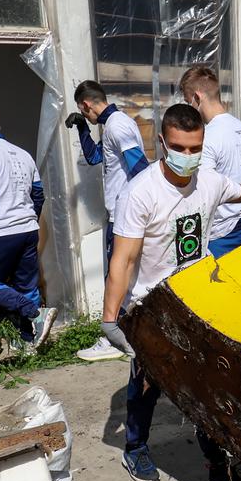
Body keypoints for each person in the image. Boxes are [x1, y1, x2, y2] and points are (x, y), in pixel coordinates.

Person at [97, 103, 241, 481]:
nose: (187, 156)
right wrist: (111, 318)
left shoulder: (208, 181)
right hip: (151, 305)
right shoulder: (140, 192)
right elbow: (124, 259)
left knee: (210, 387)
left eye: (195, 148)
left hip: (197, 298)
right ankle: (135, 447)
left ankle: (218, 468)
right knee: (147, 383)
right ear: (162, 142)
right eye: (179, 147)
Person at [71, 80, 149, 362]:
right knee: (125, 279)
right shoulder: (113, 125)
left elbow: (140, 169)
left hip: (124, 217)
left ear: (86, 104)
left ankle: (111, 339)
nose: (85, 114)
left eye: (83, 112)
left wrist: (140, 209)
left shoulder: (117, 126)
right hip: (120, 215)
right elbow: (94, 157)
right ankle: (127, 334)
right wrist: (82, 128)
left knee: (116, 278)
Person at [0, 106, 54, 344]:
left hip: (0, 232)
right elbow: (38, 195)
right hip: (28, 229)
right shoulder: (23, 154)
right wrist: (29, 218)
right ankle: (29, 340)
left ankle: (34, 313)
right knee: (26, 285)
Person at [179, 64, 241, 256]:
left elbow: (201, 193)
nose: (188, 108)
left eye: (187, 101)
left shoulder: (207, 138)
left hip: (221, 236)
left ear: (197, 97)